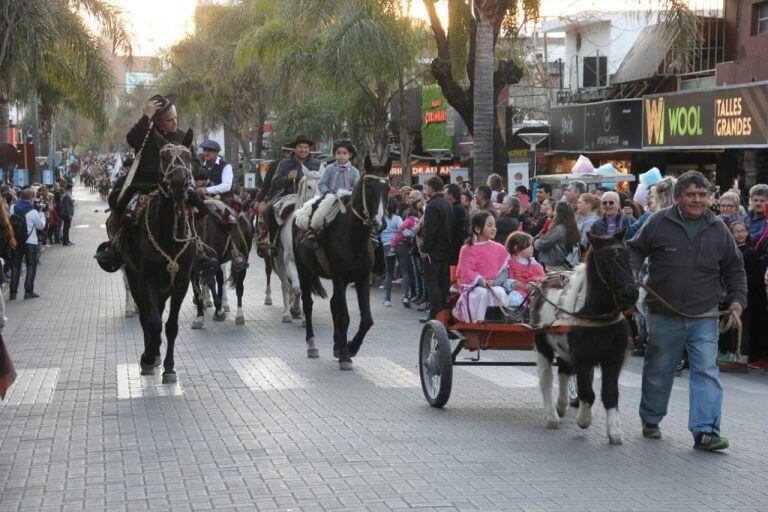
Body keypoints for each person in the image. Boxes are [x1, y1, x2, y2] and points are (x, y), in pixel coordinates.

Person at [628, 171, 746, 451]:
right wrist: (632, 274)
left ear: (710, 198)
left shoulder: (718, 229)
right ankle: (651, 419)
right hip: (663, 311)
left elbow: (734, 268)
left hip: (704, 315)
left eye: (702, 194)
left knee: (706, 370)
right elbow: (634, 250)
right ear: (678, 197)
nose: (697, 199)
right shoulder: (658, 221)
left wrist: (738, 301)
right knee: (659, 368)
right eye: (691, 194)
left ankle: (706, 431)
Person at [95, 95, 192, 265]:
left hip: (174, 186)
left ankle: (198, 249)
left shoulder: (182, 136)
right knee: (120, 203)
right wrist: (146, 116)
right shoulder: (146, 132)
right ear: (157, 121)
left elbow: (192, 160)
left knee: (199, 207)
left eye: (176, 118)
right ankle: (116, 246)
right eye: (169, 120)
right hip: (145, 184)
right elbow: (131, 140)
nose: (174, 123)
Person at [451, 211, 509, 323]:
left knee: (500, 292)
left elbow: (504, 270)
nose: (494, 229)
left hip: (493, 285)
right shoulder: (467, 249)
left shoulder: (500, 248)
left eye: (494, 225)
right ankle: (480, 322)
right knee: (483, 294)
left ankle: (499, 322)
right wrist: (480, 280)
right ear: (477, 229)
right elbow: (465, 271)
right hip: (473, 287)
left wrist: (495, 282)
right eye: (489, 225)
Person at [419, 177, 453, 323]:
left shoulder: (432, 206)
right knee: (443, 280)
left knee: (432, 280)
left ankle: (435, 312)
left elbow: (430, 230)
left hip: (434, 249)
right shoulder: (447, 204)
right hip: (446, 248)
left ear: (431, 188)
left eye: (427, 188)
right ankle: (444, 311)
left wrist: (425, 249)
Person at [9, 189, 46, 300]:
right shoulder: (33, 212)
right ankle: (28, 292)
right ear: (31, 198)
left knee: (15, 266)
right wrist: (41, 213)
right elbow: (41, 226)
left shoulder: (13, 207)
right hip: (30, 241)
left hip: (16, 240)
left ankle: (13, 293)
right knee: (31, 266)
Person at [534, 202, 580, 272]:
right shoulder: (572, 227)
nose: (553, 213)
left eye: (555, 211)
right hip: (566, 263)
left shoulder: (559, 228)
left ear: (559, 213)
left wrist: (535, 241)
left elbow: (544, 244)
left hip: (555, 265)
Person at [504, 231, 545, 308]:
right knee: (513, 299)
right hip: (512, 291)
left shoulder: (534, 265)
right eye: (528, 246)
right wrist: (513, 283)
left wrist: (532, 284)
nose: (532, 248)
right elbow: (504, 277)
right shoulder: (509, 262)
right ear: (516, 247)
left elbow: (541, 277)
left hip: (531, 293)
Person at [380, 198, 403, 307]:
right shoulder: (398, 218)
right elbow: (402, 229)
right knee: (405, 272)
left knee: (389, 273)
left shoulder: (382, 218)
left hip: (386, 245)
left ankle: (387, 299)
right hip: (398, 244)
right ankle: (406, 297)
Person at [445, 184, 467, 266]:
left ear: (450, 195)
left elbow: (451, 228)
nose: (444, 196)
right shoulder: (457, 208)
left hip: (455, 248)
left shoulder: (456, 209)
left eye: (445, 194)